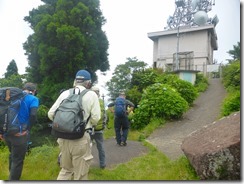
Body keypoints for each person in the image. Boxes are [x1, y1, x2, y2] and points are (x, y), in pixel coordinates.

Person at [48, 69, 101, 180]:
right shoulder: (92, 95)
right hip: (80, 138)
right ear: (88, 82)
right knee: (80, 174)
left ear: (75, 81)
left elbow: (51, 114)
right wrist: (86, 123)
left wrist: (64, 124)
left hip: (63, 138)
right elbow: (96, 118)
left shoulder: (65, 93)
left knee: (66, 170)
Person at [2, 82, 39, 180]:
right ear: (34, 91)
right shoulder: (33, 99)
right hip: (20, 134)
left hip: (6, 133)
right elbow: (33, 115)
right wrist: (27, 129)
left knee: (13, 154)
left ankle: (11, 175)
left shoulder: (11, 97)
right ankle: (13, 180)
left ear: (23, 88)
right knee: (18, 160)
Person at [90, 86, 107, 169]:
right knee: (100, 147)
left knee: (86, 148)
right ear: (98, 93)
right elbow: (105, 116)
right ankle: (102, 164)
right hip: (99, 129)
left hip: (89, 129)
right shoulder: (101, 102)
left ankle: (85, 165)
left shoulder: (89, 101)